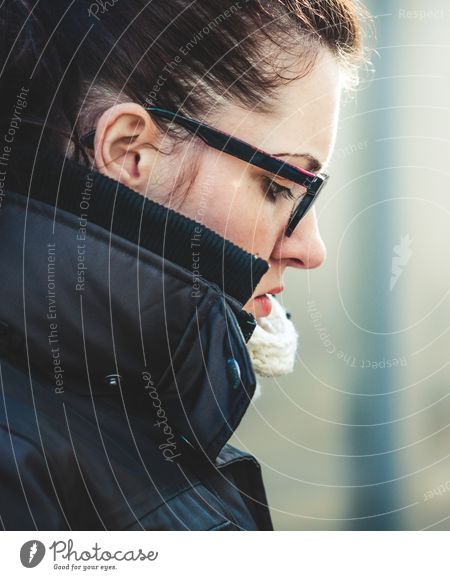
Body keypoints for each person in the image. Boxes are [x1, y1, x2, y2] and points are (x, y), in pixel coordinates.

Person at [0, 0, 369, 530]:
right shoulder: (19, 469)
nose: (311, 249)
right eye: (278, 186)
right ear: (130, 152)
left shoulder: (129, 413)